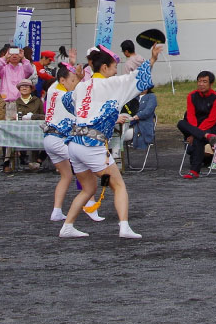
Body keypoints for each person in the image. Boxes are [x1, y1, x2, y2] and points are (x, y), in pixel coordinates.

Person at [58, 44, 160, 238]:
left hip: (75, 144)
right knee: (119, 185)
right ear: (104, 68)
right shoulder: (111, 84)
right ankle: (124, 227)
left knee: (88, 188)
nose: (115, 72)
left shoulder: (83, 85)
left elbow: (68, 102)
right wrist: (152, 59)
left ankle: (67, 226)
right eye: (113, 68)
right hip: (92, 145)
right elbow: (138, 78)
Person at [42, 62, 106, 223]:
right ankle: (90, 206)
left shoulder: (52, 90)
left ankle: (56, 210)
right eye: (72, 80)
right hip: (58, 139)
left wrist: (73, 69)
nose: (75, 83)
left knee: (66, 175)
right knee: (87, 169)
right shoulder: (64, 96)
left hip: (49, 140)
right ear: (62, 80)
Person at [179, 70, 216, 179]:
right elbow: (191, 115)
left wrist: (194, 134)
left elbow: (211, 120)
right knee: (181, 123)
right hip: (195, 128)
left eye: (204, 82)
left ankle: (194, 171)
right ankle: (202, 136)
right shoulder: (191, 95)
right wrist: (197, 132)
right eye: (199, 81)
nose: (201, 84)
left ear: (211, 84)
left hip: (211, 129)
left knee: (198, 139)